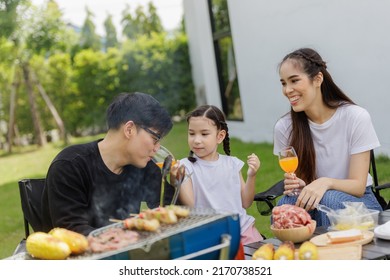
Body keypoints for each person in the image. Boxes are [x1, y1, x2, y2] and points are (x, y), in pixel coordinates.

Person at [274, 47, 382, 227]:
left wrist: (325, 182)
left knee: (329, 198)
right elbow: (305, 185)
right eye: (283, 83)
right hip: (318, 201)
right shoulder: (285, 127)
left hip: (361, 202)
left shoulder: (355, 117)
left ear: (317, 79)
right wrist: (300, 185)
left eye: (294, 80)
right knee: (284, 206)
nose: (287, 90)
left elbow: (358, 186)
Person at [41, 92, 173, 235]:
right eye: (155, 138)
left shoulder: (141, 165)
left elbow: (168, 210)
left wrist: (177, 181)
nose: (157, 148)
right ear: (129, 129)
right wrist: (125, 238)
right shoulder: (70, 165)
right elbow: (71, 231)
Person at [176, 105, 263, 244]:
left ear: (220, 136)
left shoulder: (233, 164)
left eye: (204, 134)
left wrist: (252, 175)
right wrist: (178, 179)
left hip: (244, 230)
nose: (196, 140)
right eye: (192, 133)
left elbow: (246, 203)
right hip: (212, 236)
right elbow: (191, 207)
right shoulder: (185, 166)